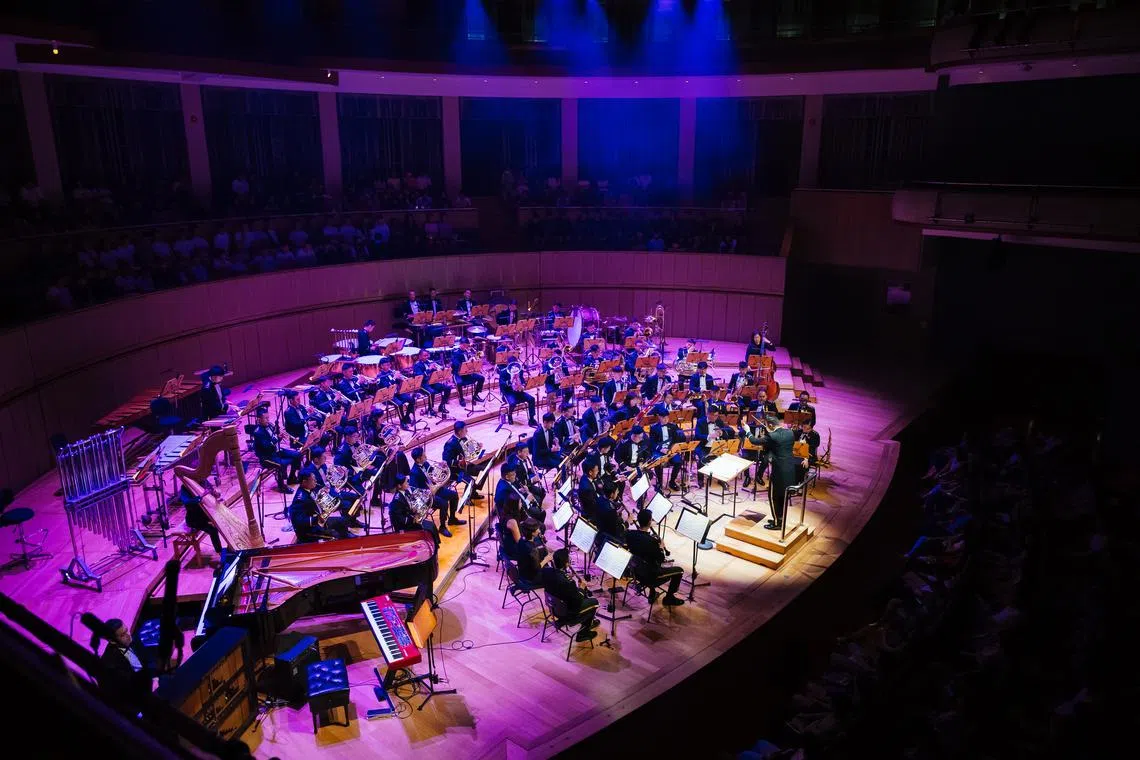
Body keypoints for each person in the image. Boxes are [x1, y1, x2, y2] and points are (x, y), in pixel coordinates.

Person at [626, 509, 685, 607]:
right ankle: (669, 598)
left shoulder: (630, 535)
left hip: (636, 573)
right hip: (650, 577)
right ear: (649, 522)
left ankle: (652, 593)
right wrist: (661, 548)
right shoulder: (651, 541)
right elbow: (661, 559)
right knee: (679, 571)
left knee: (646, 560)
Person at [540, 548, 599, 643]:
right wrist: (582, 588)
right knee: (594, 602)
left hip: (553, 608)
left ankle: (563, 620)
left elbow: (557, 582)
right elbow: (577, 601)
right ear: (566, 564)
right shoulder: (569, 583)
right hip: (567, 613)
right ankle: (583, 633)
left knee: (568, 598)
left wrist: (566, 576)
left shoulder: (546, 572)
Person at [410, 446, 464, 536]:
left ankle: (452, 519)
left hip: (436, 489)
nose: (426, 456)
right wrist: (429, 492)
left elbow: (433, 473)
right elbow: (415, 491)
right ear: (418, 459)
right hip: (428, 497)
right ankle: (442, 527)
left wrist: (441, 467)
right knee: (444, 503)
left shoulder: (426, 463)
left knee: (454, 495)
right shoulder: (414, 473)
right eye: (423, 456)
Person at [98, 618, 154, 706]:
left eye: (126, 630)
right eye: (122, 635)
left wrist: (154, 678)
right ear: (112, 640)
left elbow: (147, 662)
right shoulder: (109, 664)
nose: (128, 635)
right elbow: (124, 692)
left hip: (147, 688)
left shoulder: (132, 641)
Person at [289, 468, 354, 542]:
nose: (316, 481)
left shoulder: (309, 489)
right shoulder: (300, 499)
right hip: (310, 529)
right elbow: (299, 521)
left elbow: (315, 504)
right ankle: (342, 542)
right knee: (336, 534)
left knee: (343, 521)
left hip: (318, 521)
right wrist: (317, 519)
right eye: (313, 480)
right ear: (304, 482)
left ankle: (346, 536)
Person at [251, 406, 301, 492]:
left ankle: (292, 477)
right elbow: (267, 447)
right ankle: (281, 486)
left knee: (297, 454)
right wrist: (278, 438)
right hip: (267, 457)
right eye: (265, 418)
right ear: (259, 419)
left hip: (276, 451)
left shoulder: (269, 426)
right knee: (283, 464)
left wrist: (280, 437)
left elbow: (274, 439)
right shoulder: (258, 432)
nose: (268, 420)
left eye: (268, 417)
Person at [762, 415, 798, 531]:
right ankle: (780, 520)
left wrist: (748, 431)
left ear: (771, 425)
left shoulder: (772, 435)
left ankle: (777, 523)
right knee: (782, 498)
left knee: (774, 497)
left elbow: (755, 441)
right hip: (789, 470)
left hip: (778, 472)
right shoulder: (790, 433)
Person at [388, 474, 440, 547]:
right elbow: (400, 520)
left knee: (431, 525)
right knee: (429, 529)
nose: (408, 483)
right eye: (406, 482)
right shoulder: (397, 500)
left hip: (412, 519)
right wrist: (413, 518)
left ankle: (435, 546)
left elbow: (412, 503)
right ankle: (432, 547)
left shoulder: (406, 492)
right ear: (399, 486)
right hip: (406, 526)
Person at [507, 440, 547, 523]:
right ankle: (535, 515)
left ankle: (536, 507)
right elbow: (520, 482)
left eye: (528, 452)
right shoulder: (516, 465)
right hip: (522, 488)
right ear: (519, 452)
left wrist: (532, 470)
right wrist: (532, 480)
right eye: (525, 452)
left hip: (526, 483)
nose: (527, 454)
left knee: (542, 491)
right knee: (538, 497)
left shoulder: (523, 458)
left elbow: (525, 471)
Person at [649, 404, 686, 490]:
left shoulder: (673, 426)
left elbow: (676, 440)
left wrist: (672, 449)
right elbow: (652, 443)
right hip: (659, 450)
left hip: (670, 450)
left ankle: (672, 482)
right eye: (664, 418)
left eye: (667, 418)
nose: (666, 420)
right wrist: (661, 449)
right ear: (660, 417)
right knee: (658, 462)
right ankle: (659, 483)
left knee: (678, 462)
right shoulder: (654, 428)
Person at [178, 484, 223, 554]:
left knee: (220, 520)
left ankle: (229, 547)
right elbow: (186, 501)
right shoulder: (184, 487)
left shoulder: (202, 481)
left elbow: (211, 489)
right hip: (194, 519)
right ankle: (219, 551)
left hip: (204, 515)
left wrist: (216, 493)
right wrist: (200, 496)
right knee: (213, 530)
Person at [413, 349, 451, 417]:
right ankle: (430, 409)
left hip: (432, 382)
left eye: (427, 355)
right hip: (422, 384)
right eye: (424, 355)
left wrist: (438, 369)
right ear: (420, 356)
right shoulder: (417, 365)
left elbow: (435, 373)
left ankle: (441, 406)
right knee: (431, 392)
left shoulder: (429, 362)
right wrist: (429, 369)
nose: (427, 357)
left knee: (447, 388)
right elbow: (420, 377)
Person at [450, 337, 485, 408]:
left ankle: (475, 395)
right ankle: (461, 398)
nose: (467, 346)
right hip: (458, 373)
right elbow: (456, 365)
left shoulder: (466, 351)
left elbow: (470, 360)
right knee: (459, 383)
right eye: (466, 345)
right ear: (462, 344)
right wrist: (468, 362)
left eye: (467, 345)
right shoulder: (456, 352)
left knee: (481, 378)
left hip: (467, 372)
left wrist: (474, 360)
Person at [577, 458, 601, 522]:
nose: (598, 471)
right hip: (590, 513)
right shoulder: (587, 489)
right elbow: (593, 505)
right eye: (596, 470)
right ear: (590, 472)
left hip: (592, 501)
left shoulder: (585, 476)